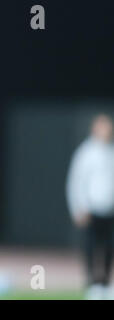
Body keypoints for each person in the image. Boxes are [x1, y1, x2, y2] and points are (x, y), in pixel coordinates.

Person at [66, 114, 114, 300]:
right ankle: (92, 285)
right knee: (91, 248)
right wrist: (78, 207)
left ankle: (105, 284)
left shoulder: (111, 151)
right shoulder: (85, 152)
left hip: (109, 209)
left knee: (109, 248)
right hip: (91, 209)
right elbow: (76, 181)